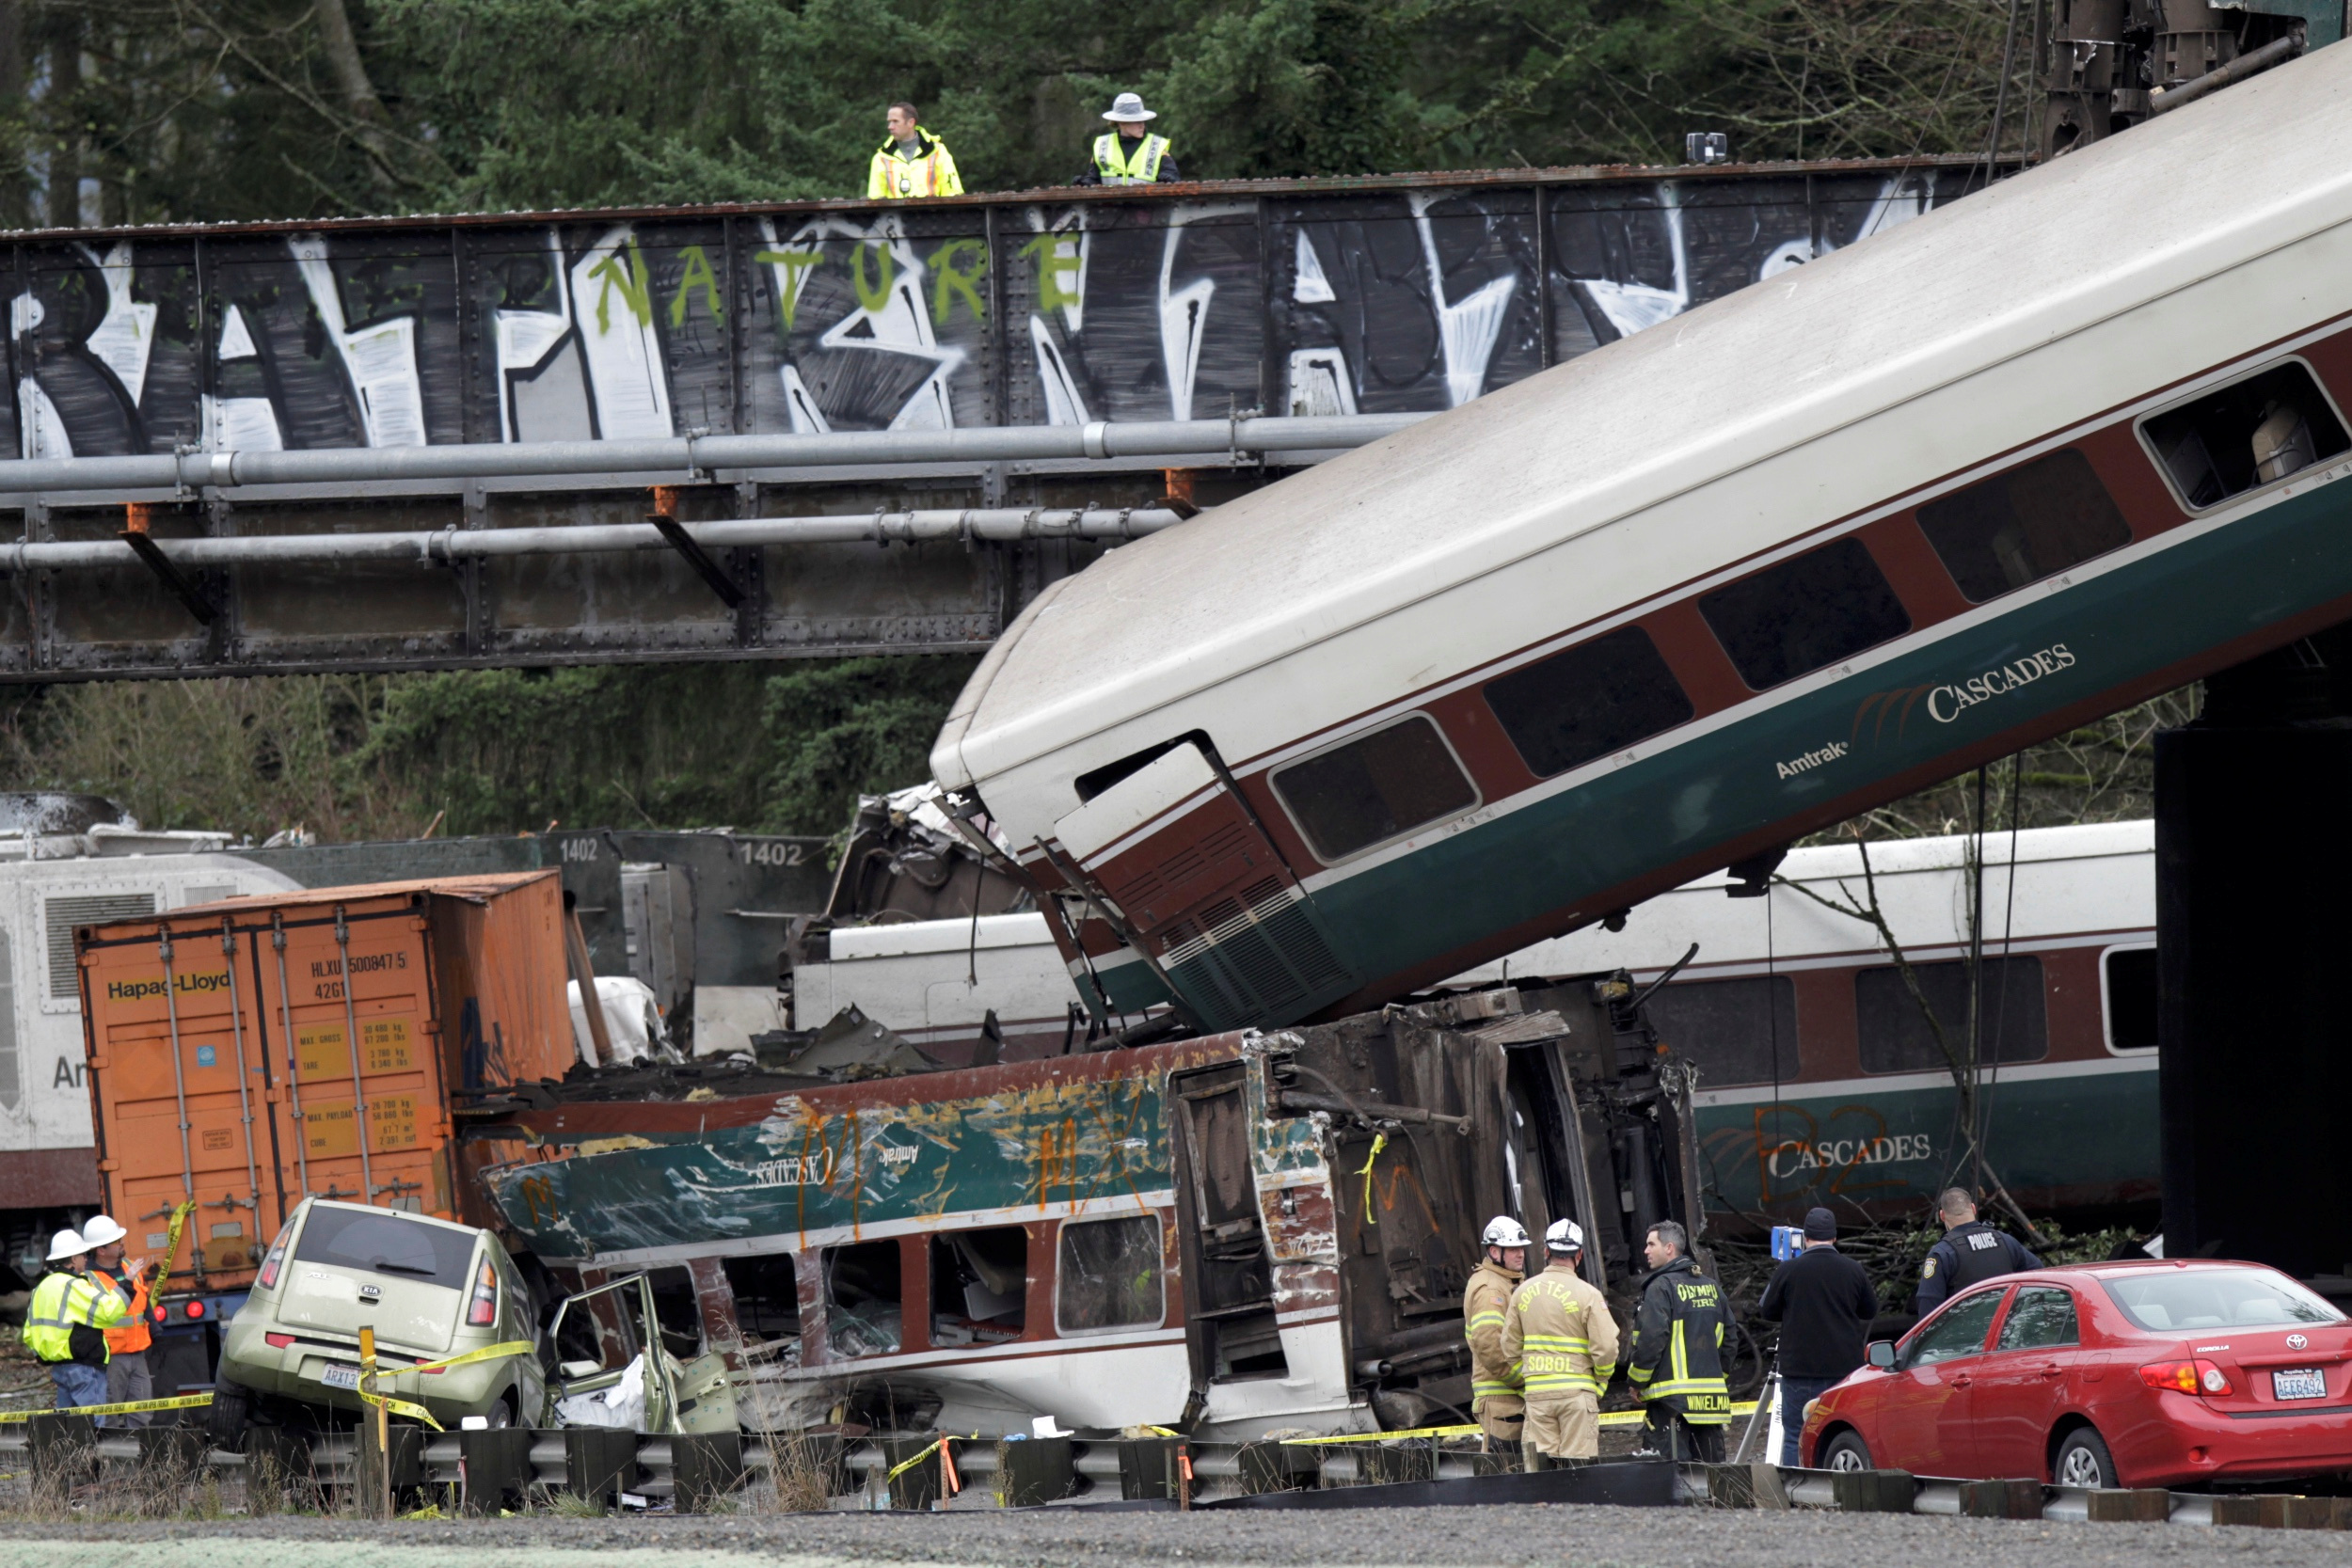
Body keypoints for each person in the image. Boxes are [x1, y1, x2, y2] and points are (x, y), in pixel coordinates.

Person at [1756, 1206, 1879, 1466]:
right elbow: (1870, 1310)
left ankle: (1797, 1495)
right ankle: (1837, 1487)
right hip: (1844, 1371)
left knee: (1795, 1435)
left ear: (1806, 1237)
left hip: (1799, 1370)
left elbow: (1767, 1310)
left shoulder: (1789, 1270)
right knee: (1842, 1431)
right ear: (1834, 1237)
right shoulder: (1853, 1269)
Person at [1501, 1218, 1618, 1468]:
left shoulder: (1522, 1292)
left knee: (1540, 1470)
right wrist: (1600, 1382)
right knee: (1577, 1469)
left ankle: (1543, 1508)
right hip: (1577, 1395)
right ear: (1580, 1254)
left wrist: (1529, 1378)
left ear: (1546, 1252)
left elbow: (1509, 1347)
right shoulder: (1588, 1294)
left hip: (1538, 1397)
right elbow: (1607, 1348)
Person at [1626, 1219, 1732, 1461]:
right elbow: (1730, 1341)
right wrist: (1716, 1379)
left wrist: (1637, 1382)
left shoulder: (1660, 1288)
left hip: (1670, 1406)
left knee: (1671, 1481)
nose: (1646, 1251)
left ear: (1669, 1248)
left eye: (1651, 1244)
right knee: (1712, 1479)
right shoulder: (1712, 1288)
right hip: (1710, 1404)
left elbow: (1651, 1339)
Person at [23, 1227, 126, 1412]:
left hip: (60, 1368)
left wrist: (41, 1355)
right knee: (91, 1425)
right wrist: (128, 1285)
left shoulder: (41, 1287)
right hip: (83, 1368)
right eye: (82, 1255)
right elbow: (108, 1311)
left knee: (68, 1426)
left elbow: (29, 1333)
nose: (86, 1258)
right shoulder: (73, 1285)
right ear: (73, 1259)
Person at [1915, 1187, 2042, 1316]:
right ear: (1973, 1208)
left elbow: (1928, 1309)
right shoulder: (2005, 1241)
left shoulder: (1942, 1254)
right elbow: (2039, 1274)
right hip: (2006, 1330)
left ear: (1942, 1215)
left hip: (1965, 1333)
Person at [1462, 1215, 1529, 1457]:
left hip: (1509, 1398)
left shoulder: (1504, 1282)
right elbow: (1490, 1346)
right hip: (1501, 1400)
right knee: (1506, 1472)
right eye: (1512, 1249)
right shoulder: (1491, 1289)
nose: (1520, 1254)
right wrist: (1522, 1379)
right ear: (1494, 1251)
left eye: (1521, 1248)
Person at [83, 1214, 153, 1428]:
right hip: (111, 1357)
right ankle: (111, 1459)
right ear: (101, 1250)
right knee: (110, 1415)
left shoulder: (129, 1267)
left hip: (137, 1353)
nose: (122, 1243)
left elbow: (143, 1301)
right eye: (116, 1241)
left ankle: (142, 1457)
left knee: (142, 1413)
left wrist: (155, 1328)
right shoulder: (88, 1279)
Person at [1074, 93, 1180, 186]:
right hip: (1110, 208)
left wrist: (1167, 179)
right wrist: (1084, 184)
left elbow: (1172, 176)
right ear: (1122, 122)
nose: (1142, 125)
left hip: (1148, 207)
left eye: (1143, 121)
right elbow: (1095, 180)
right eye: (1137, 121)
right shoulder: (1102, 146)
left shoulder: (1157, 146)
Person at [867, 102, 962, 200]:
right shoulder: (881, 158)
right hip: (896, 215)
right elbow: (875, 201)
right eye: (889, 122)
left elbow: (953, 194)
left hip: (932, 214)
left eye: (895, 121)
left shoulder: (938, 152)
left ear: (910, 123)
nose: (890, 126)